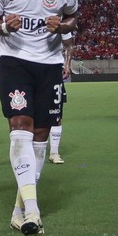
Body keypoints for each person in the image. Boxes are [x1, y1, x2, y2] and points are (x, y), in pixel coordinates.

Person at [0, 0, 78, 236]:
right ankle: (35, 211)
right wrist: (3, 26)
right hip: (14, 61)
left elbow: (73, 19)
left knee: (40, 138)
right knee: (20, 128)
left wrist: (62, 25)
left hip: (49, 64)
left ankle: (19, 210)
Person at [48, 28, 74, 163]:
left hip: (54, 69)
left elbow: (69, 43)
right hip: (32, 69)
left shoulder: (58, 19)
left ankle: (54, 152)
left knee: (56, 113)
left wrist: (67, 63)